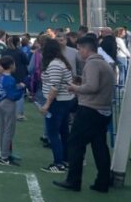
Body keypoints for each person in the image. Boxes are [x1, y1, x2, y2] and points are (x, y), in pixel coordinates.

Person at [54, 35, 115, 193]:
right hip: (103, 110)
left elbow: (93, 87)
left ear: (87, 48)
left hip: (90, 109)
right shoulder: (104, 63)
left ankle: (73, 180)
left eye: (80, 48)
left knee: (75, 144)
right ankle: (103, 181)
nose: (78, 51)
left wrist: (75, 88)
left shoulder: (92, 64)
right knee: (99, 145)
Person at [38, 39, 75, 174]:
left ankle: (58, 163)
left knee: (53, 133)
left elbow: (55, 86)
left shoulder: (54, 64)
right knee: (64, 132)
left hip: (57, 102)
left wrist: (47, 104)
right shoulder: (60, 62)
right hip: (65, 101)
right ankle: (65, 160)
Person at [0, 56, 23, 166]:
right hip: (8, 104)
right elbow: (13, 96)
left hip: (1, 103)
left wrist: (16, 87)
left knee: (3, 130)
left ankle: (3, 153)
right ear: (11, 65)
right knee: (8, 130)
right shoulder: (10, 78)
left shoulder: (2, 77)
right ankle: (4, 157)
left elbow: (0, 88)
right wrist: (21, 88)